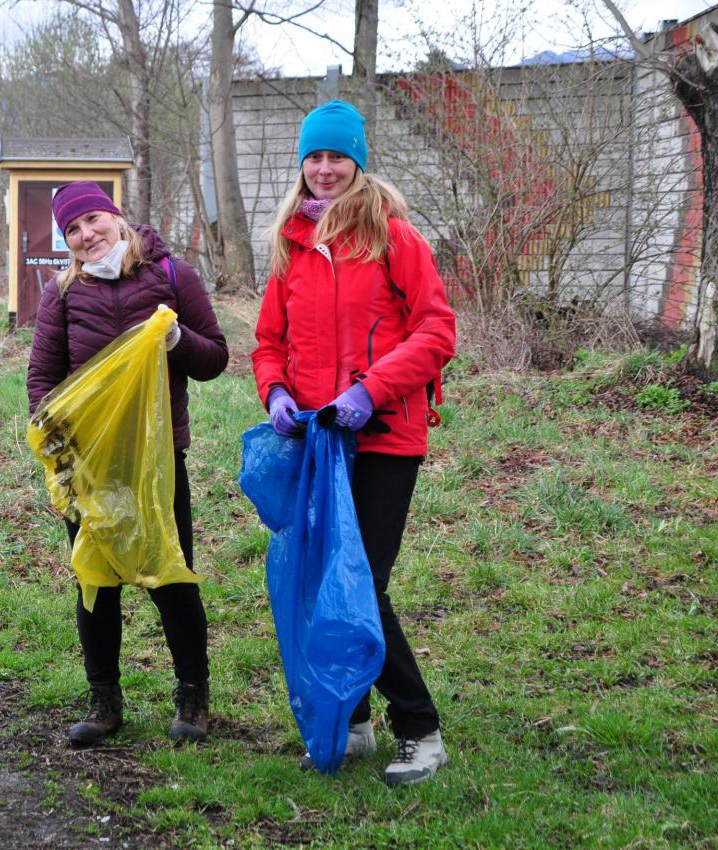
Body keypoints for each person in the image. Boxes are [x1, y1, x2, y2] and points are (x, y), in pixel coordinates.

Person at [251, 100, 457, 785]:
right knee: (320, 579)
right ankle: (356, 721)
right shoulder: (292, 245)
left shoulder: (395, 237)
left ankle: (420, 730)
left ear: (358, 163)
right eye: (314, 157)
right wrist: (276, 393)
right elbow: (268, 342)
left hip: (385, 437)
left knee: (360, 582)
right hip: (318, 444)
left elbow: (436, 331)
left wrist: (371, 391)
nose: (325, 168)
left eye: (337, 156)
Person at [27, 181, 229, 747]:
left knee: (172, 576)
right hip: (89, 462)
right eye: (72, 230)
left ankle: (193, 697)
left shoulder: (172, 275)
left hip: (158, 460)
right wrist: (58, 447)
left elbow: (215, 358)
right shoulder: (62, 294)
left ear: (116, 217)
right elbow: (43, 379)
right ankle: (104, 701)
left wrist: (176, 339)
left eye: (92, 219)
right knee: (96, 581)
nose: (86, 234)